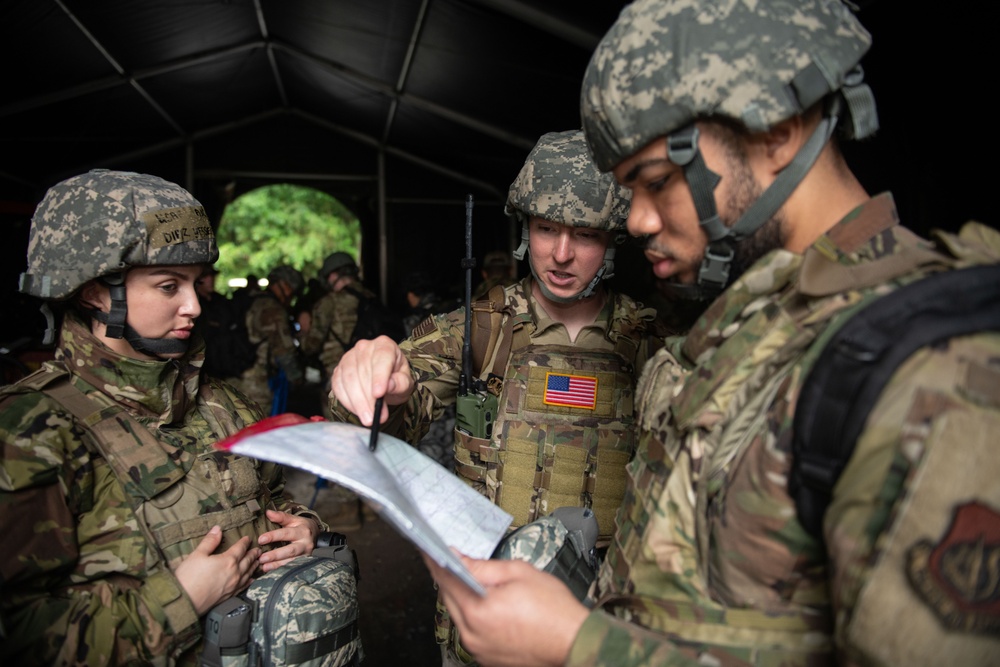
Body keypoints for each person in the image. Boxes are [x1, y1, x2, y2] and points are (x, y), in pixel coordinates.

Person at [421, 1, 1000, 666]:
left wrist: (577, 645)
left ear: (777, 129)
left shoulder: (933, 368)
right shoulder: (755, 320)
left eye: (658, 181)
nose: (634, 222)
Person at [329, 129, 664, 664]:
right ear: (524, 229)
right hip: (484, 610)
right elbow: (370, 425)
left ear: (614, 240)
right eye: (546, 228)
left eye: (583, 234)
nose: (559, 253)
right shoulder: (480, 330)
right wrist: (371, 386)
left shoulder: (651, 342)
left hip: (602, 623)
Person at [0, 169, 329, 665]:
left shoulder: (226, 404)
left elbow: (276, 500)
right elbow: (17, 631)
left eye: (196, 283)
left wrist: (304, 529)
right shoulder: (32, 430)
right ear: (93, 292)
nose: (194, 305)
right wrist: (178, 601)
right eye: (169, 285)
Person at [228, 264, 305, 415]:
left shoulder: (252, 299)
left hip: (234, 379)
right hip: (256, 384)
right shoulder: (272, 308)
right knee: (256, 432)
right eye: (291, 290)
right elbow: (284, 351)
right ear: (282, 284)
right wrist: (297, 379)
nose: (291, 296)